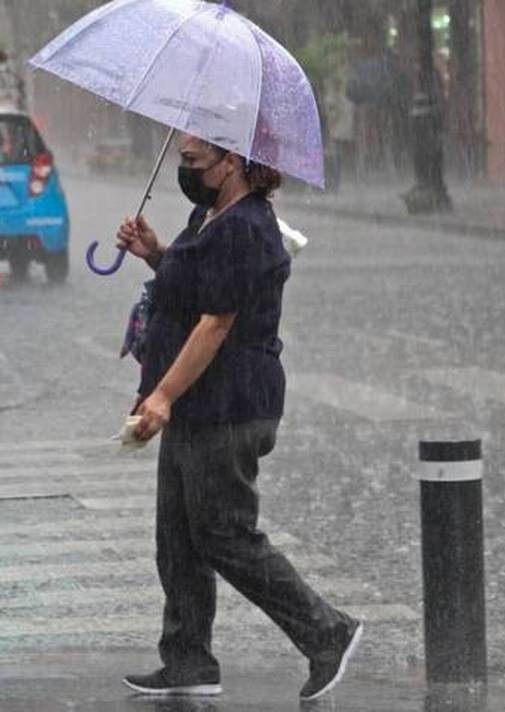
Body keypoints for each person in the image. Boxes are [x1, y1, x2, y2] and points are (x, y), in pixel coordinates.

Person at [114, 134, 363, 702]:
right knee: (177, 535)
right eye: (181, 160)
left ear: (234, 164)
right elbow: (188, 288)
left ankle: (327, 631)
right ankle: (187, 659)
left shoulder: (245, 228)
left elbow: (215, 323)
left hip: (229, 404)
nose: (187, 170)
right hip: (198, 402)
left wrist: (164, 395)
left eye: (196, 162)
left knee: (224, 534)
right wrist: (155, 253)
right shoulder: (209, 216)